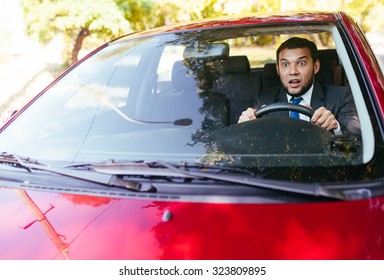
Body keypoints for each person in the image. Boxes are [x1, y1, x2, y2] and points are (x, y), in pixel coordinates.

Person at [238, 37, 361, 139]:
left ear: (316, 66)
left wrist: (336, 128)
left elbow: (357, 144)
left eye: (301, 63)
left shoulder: (342, 97)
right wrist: (244, 128)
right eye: (285, 64)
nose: (293, 71)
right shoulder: (264, 100)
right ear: (278, 69)